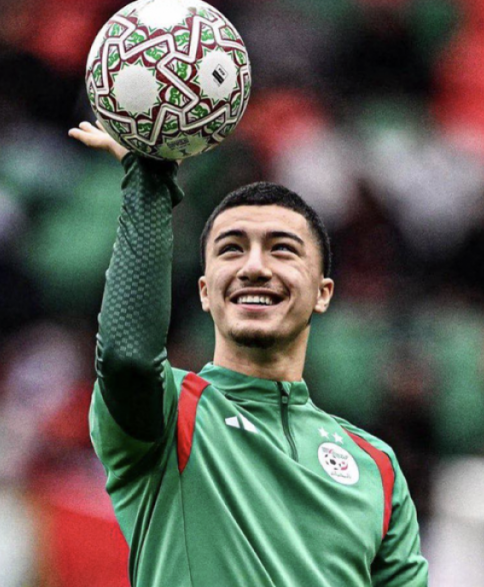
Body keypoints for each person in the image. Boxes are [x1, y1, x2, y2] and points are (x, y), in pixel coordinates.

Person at [70, 120, 430, 586]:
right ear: (205, 291)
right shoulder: (172, 416)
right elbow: (126, 358)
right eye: (231, 250)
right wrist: (149, 185)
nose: (254, 267)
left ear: (323, 293)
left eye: (282, 250)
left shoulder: (375, 466)